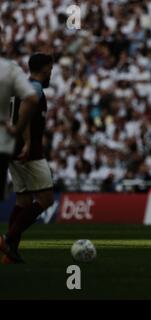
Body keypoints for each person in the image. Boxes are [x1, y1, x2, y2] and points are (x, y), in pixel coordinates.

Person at [1, 53, 54, 264]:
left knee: (23, 200)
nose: (51, 73)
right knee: (46, 199)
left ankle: (10, 251)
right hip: (27, 151)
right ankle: (7, 239)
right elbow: (25, 112)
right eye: (50, 69)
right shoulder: (35, 88)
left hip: (12, 149)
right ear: (44, 68)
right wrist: (27, 141)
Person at [0, 30, 39, 262]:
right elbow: (31, 99)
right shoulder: (10, 69)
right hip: (4, 143)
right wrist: (17, 130)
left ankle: (4, 242)